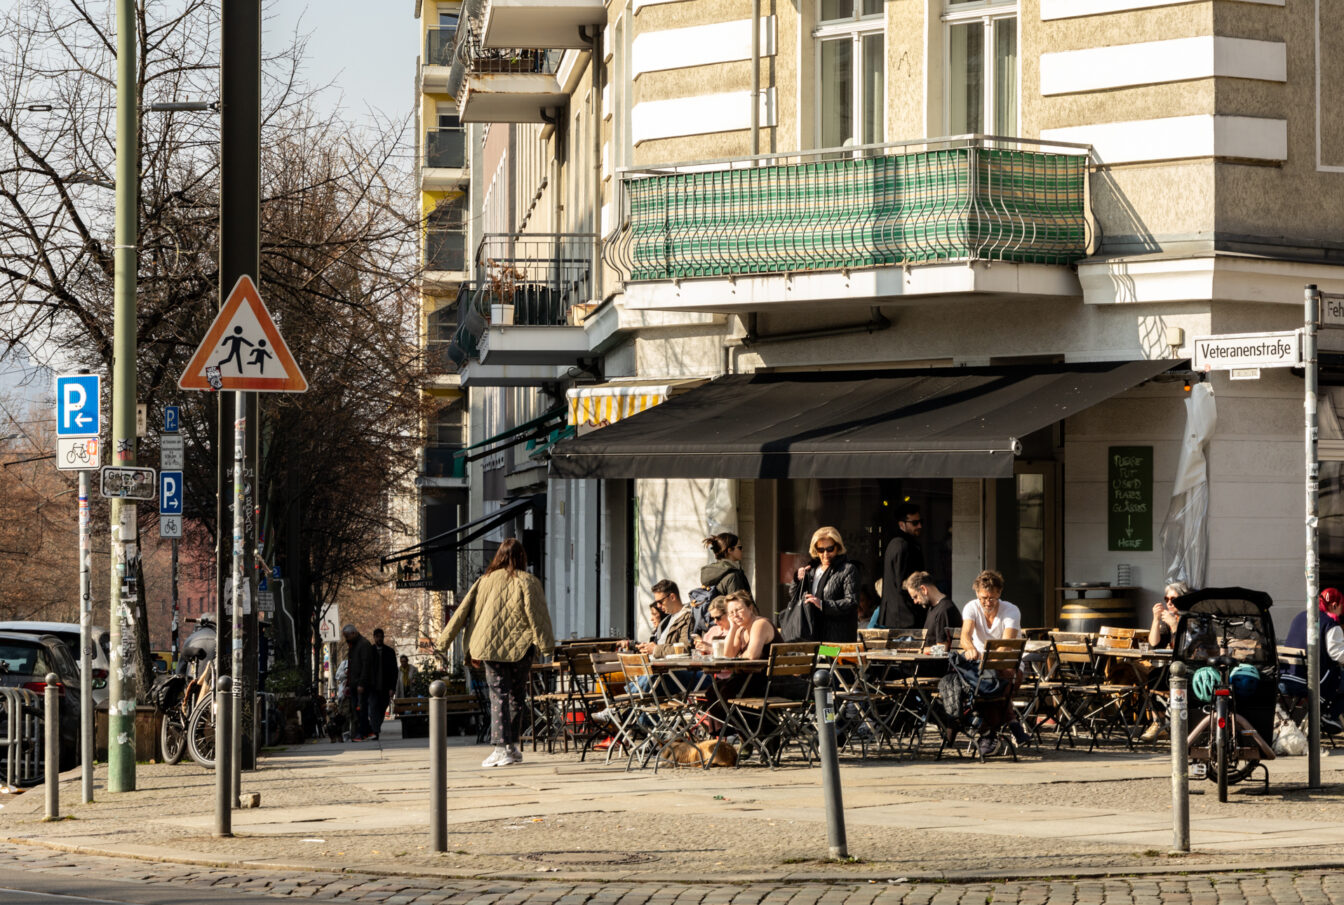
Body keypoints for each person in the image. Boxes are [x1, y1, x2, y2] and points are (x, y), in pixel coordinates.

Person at [435, 537, 555, 768]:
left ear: (498, 556)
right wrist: (546, 646)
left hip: (489, 646)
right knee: (517, 697)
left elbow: (462, 611)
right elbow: (538, 616)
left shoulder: (485, 581)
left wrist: (443, 642)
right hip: (522, 648)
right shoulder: (529, 582)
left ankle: (501, 749)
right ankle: (512, 746)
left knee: (498, 695)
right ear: (522, 557)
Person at [958, 570, 1027, 755]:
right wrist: (969, 648)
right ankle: (1012, 723)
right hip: (981, 668)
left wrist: (987, 663)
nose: (987, 602)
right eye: (983, 598)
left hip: (1008, 666)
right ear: (977, 594)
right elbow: (965, 635)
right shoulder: (971, 607)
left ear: (999, 594)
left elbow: (1006, 646)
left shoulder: (1011, 610)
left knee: (992, 684)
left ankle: (988, 735)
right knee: (978, 686)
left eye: (992, 598)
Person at [1284, 587, 1344, 731]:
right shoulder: (1330, 624)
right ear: (1334, 606)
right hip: (1309, 682)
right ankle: (1328, 714)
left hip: (1286, 677)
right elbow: (1337, 654)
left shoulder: (1299, 617)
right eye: (1341, 607)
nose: (1341, 613)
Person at [789, 526, 861, 643]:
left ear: (838, 547)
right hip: (812, 636)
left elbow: (852, 602)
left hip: (836, 639)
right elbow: (795, 597)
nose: (825, 554)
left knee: (829, 660)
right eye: (821, 550)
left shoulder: (848, 569)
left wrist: (822, 604)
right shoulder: (811, 570)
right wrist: (797, 580)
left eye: (830, 549)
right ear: (815, 550)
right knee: (816, 659)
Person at [880, 503, 925, 632]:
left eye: (920, 521)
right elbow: (904, 583)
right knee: (829, 651)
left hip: (900, 617)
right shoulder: (902, 546)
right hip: (904, 619)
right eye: (915, 523)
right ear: (902, 524)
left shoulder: (898, 543)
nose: (919, 526)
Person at [903, 572, 959, 652]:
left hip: (936, 663)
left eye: (915, 597)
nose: (915, 601)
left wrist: (918, 650)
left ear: (923, 589)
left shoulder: (944, 610)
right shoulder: (933, 608)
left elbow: (942, 649)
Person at [341, 625, 375, 741]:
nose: (346, 639)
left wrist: (361, 683)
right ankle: (368, 731)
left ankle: (362, 732)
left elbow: (366, 666)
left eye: (347, 636)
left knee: (361, 708)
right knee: (358, 708)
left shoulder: (363, 645)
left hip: (360, 684)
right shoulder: (354, 645)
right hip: (354, 683)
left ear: (354, 633)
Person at [700, 533, 751, 599]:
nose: (742, 550)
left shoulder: (712, 572)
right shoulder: (733, 576)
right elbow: (737, 605)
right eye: (739, 547)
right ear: (729, 550)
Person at [368, 628, 398, 740]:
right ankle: (375, 731)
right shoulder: (370, 651)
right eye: (377, 637)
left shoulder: (390, 652)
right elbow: (366, 669)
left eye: (381, 636)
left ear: (383, 637)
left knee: (381, 709)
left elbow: (394, 671)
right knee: (374, 708)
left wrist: (392, 687)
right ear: (374, 637)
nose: (379, 639)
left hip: (386, 687)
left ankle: (376, 727)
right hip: (373, 687)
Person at [1147, 581, 1191, 649]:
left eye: (1173, 599)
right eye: (1166, 599)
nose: (1169, 603)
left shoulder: (1192, 618)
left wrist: (1174, 625)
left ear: (1184, 599)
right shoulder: (1171, 618)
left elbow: (1185, 647)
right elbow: (1154, 646)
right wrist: (1156, 619)